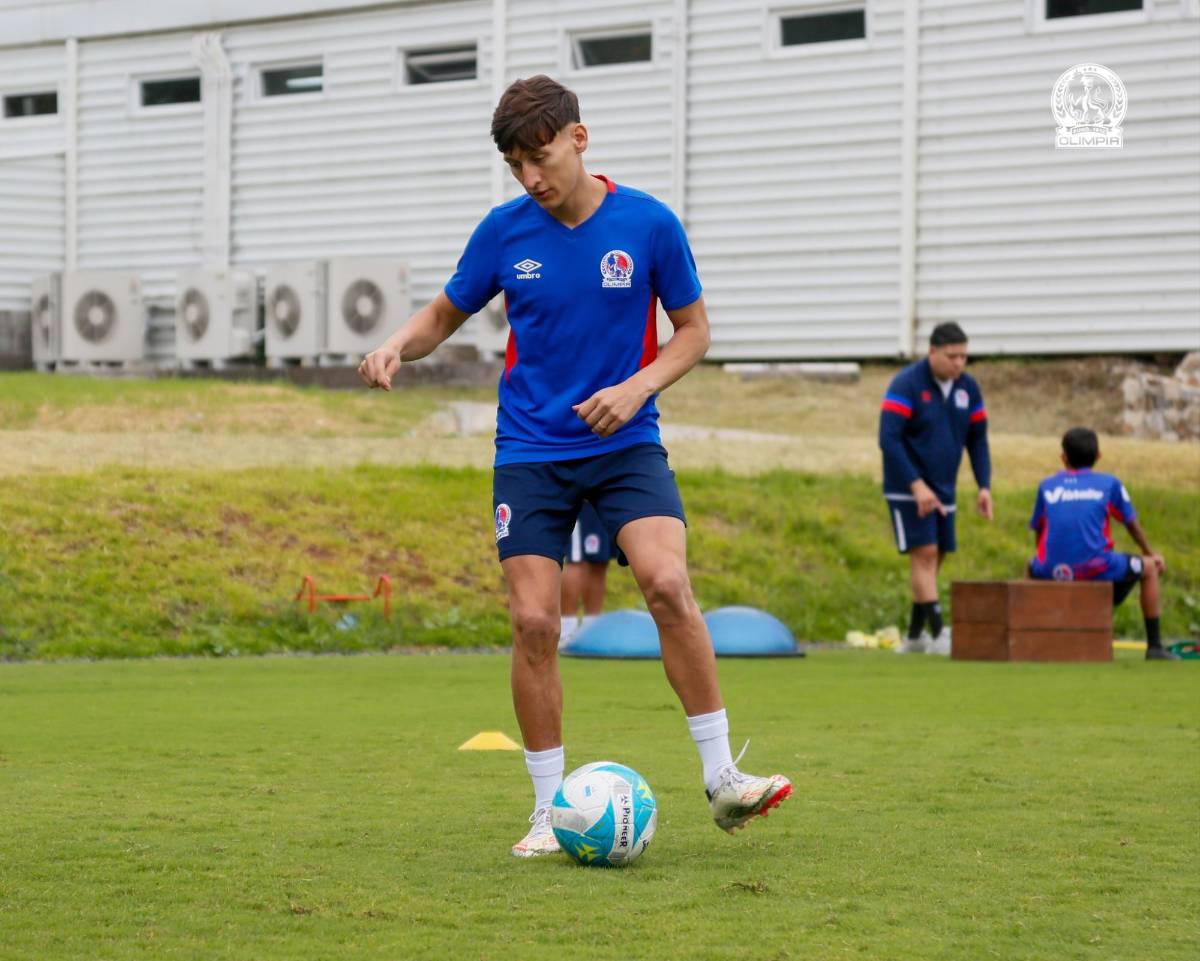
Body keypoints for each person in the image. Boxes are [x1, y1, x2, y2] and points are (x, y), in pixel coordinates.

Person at [358, 75, 791, 857]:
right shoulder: (504, 232)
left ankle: (724, 777)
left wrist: (637, 387)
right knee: (534, 620)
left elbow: (692, 331)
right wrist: (397, 343)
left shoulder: (649, 223)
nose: (531, 177)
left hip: (626, 442)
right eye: (516, 165)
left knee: (666, 582)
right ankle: (546, 811)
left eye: (540, 156)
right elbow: (444, 313)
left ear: (578, 138)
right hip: (530, 449)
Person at [878, 322, 993, 655]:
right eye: (952, 356)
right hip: (907, 488)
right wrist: (915, 485)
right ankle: (940, 633)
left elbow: (978, 440)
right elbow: (888, 438)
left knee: (936, 558)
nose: (958, 363)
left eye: (963, 357)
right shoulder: (906, 383)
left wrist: (984, 485)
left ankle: (914, 637)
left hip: (945, 488)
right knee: (925, 556)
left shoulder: (967, 388)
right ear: (932, 352)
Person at [1028, 427, 1180, 661]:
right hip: (1097, 568)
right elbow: (1132, 525)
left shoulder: (1046, 485)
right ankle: (1155, 647)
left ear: (1063, 458)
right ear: (1099, 455)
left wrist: (1043, 561)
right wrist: (1150, 553)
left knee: (1030, 567)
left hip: (1052, 570)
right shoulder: (1108, 484)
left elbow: (1040, 530)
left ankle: (1033, 635)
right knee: (1149, 568)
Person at [559, 500, 615, 647]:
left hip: (604, 496)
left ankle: (593, 630)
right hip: (580, 497)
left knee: (599, 561)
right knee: (576, 560)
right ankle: (566, 631)